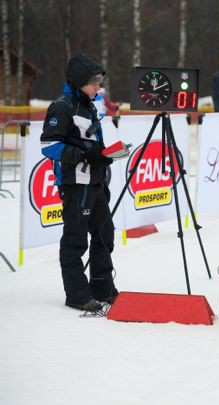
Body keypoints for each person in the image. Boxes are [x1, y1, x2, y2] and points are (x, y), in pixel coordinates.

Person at [40, 54, 118, 312]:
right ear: (78, 82)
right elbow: (49, 145)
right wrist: (85, 155)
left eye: (100, 83)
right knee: (75, 241)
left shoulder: (89, 106)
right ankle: (77, 294)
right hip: (76, 184)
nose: (98, 88)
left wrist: (104, 156)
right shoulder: (62, 106)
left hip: (95, 182)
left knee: (105, 234)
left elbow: (89, 142)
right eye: (94, 83)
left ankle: (102, 286)